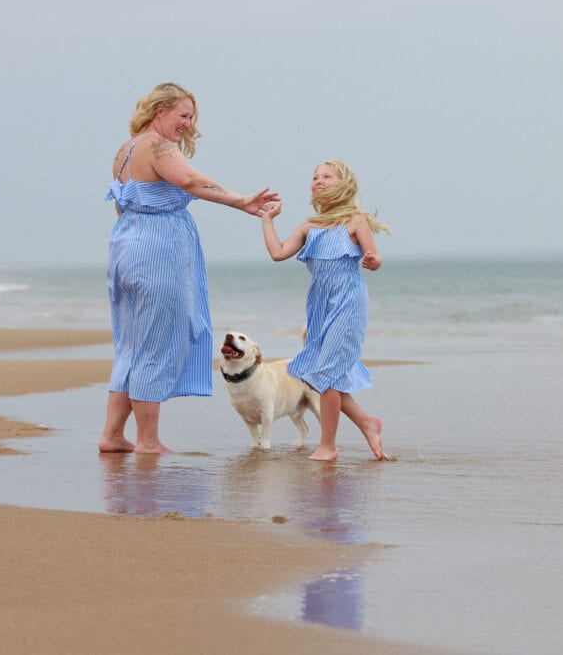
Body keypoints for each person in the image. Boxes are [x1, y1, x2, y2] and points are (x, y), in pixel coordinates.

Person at [99, 82, 280, 455]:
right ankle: (148, 441)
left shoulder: (125, 149)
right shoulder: (157, 146)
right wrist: (241, 201)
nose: (187, 123)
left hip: (126, 249)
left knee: (131, 348)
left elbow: (124, 205)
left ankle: (113, 435)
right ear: (160, 110)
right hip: (156, 256)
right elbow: (190, 181)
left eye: (191, 117)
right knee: (154, 346)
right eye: (183, 115)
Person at [260, 160, 391, 461]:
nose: (318, 180)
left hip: (348, 301)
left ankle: (328, 446)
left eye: (326, 176)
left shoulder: (355, 221)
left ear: (344, 184)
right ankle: (367, 423)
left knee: (327, 375)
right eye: (314, 176)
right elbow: (278, 253)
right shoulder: (309, 227)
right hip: (319, 303)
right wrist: (267, 220)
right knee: (317, 374)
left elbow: (375, 257)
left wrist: (373, 261)